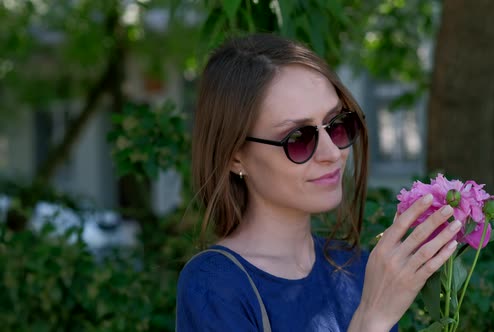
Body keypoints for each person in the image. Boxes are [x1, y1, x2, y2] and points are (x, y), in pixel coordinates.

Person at [176, 33, 461, 332]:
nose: (332, 152)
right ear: (235, 156)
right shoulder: (214, 287)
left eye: (338, 125)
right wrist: (372, 320)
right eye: (299, 138)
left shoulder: (358, 268)